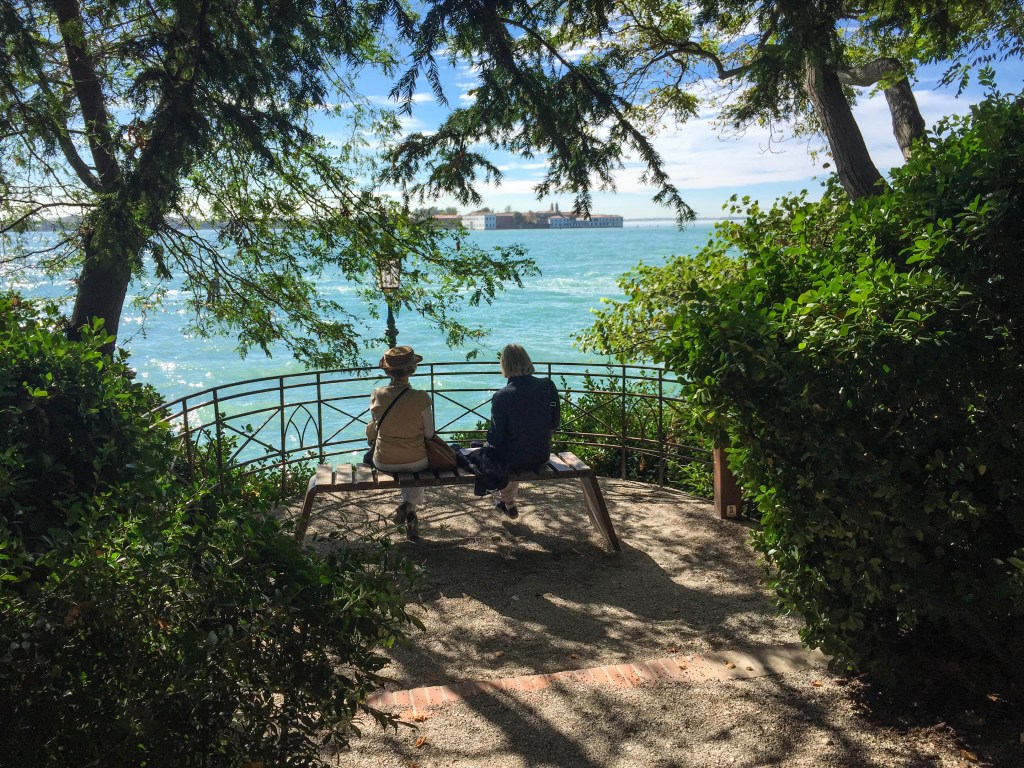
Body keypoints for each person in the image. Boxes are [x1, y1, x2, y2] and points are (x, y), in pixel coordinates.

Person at [484, 343, 561, 519]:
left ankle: (508, 502)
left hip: (513, 459)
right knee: (515, 448)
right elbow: (554, 422)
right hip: (541, 455)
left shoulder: (501, 396)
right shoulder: (548, 386)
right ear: (527, 360)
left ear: (505, 365)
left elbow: (496, 438)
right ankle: (507, 503)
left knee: (495, 453)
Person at [366, 345, 434, 540]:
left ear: (388, 370)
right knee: (417, 464)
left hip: (384, 459)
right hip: (416, 460)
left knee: (407, 463)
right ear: (412, 370)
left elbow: (376, 424)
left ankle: (410, 512)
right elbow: (429, 435)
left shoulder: (377, 394)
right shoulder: (421, 397)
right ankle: (408, 507)